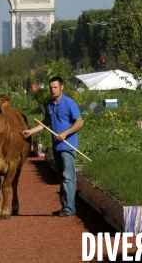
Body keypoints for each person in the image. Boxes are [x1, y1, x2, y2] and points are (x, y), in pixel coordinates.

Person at [22, 76, 84, 217]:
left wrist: (65, 133)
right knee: (61, 178)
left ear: (62, 87)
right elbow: (46, 122)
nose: (53, 90)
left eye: (55, 87)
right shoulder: (49, 104)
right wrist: (31, 131)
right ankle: (65, 207)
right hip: (56, 147)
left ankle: (69, 209)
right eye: (51, 87)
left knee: (68, 177)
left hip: (68, 146)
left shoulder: (69, 103)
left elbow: (79, 122)